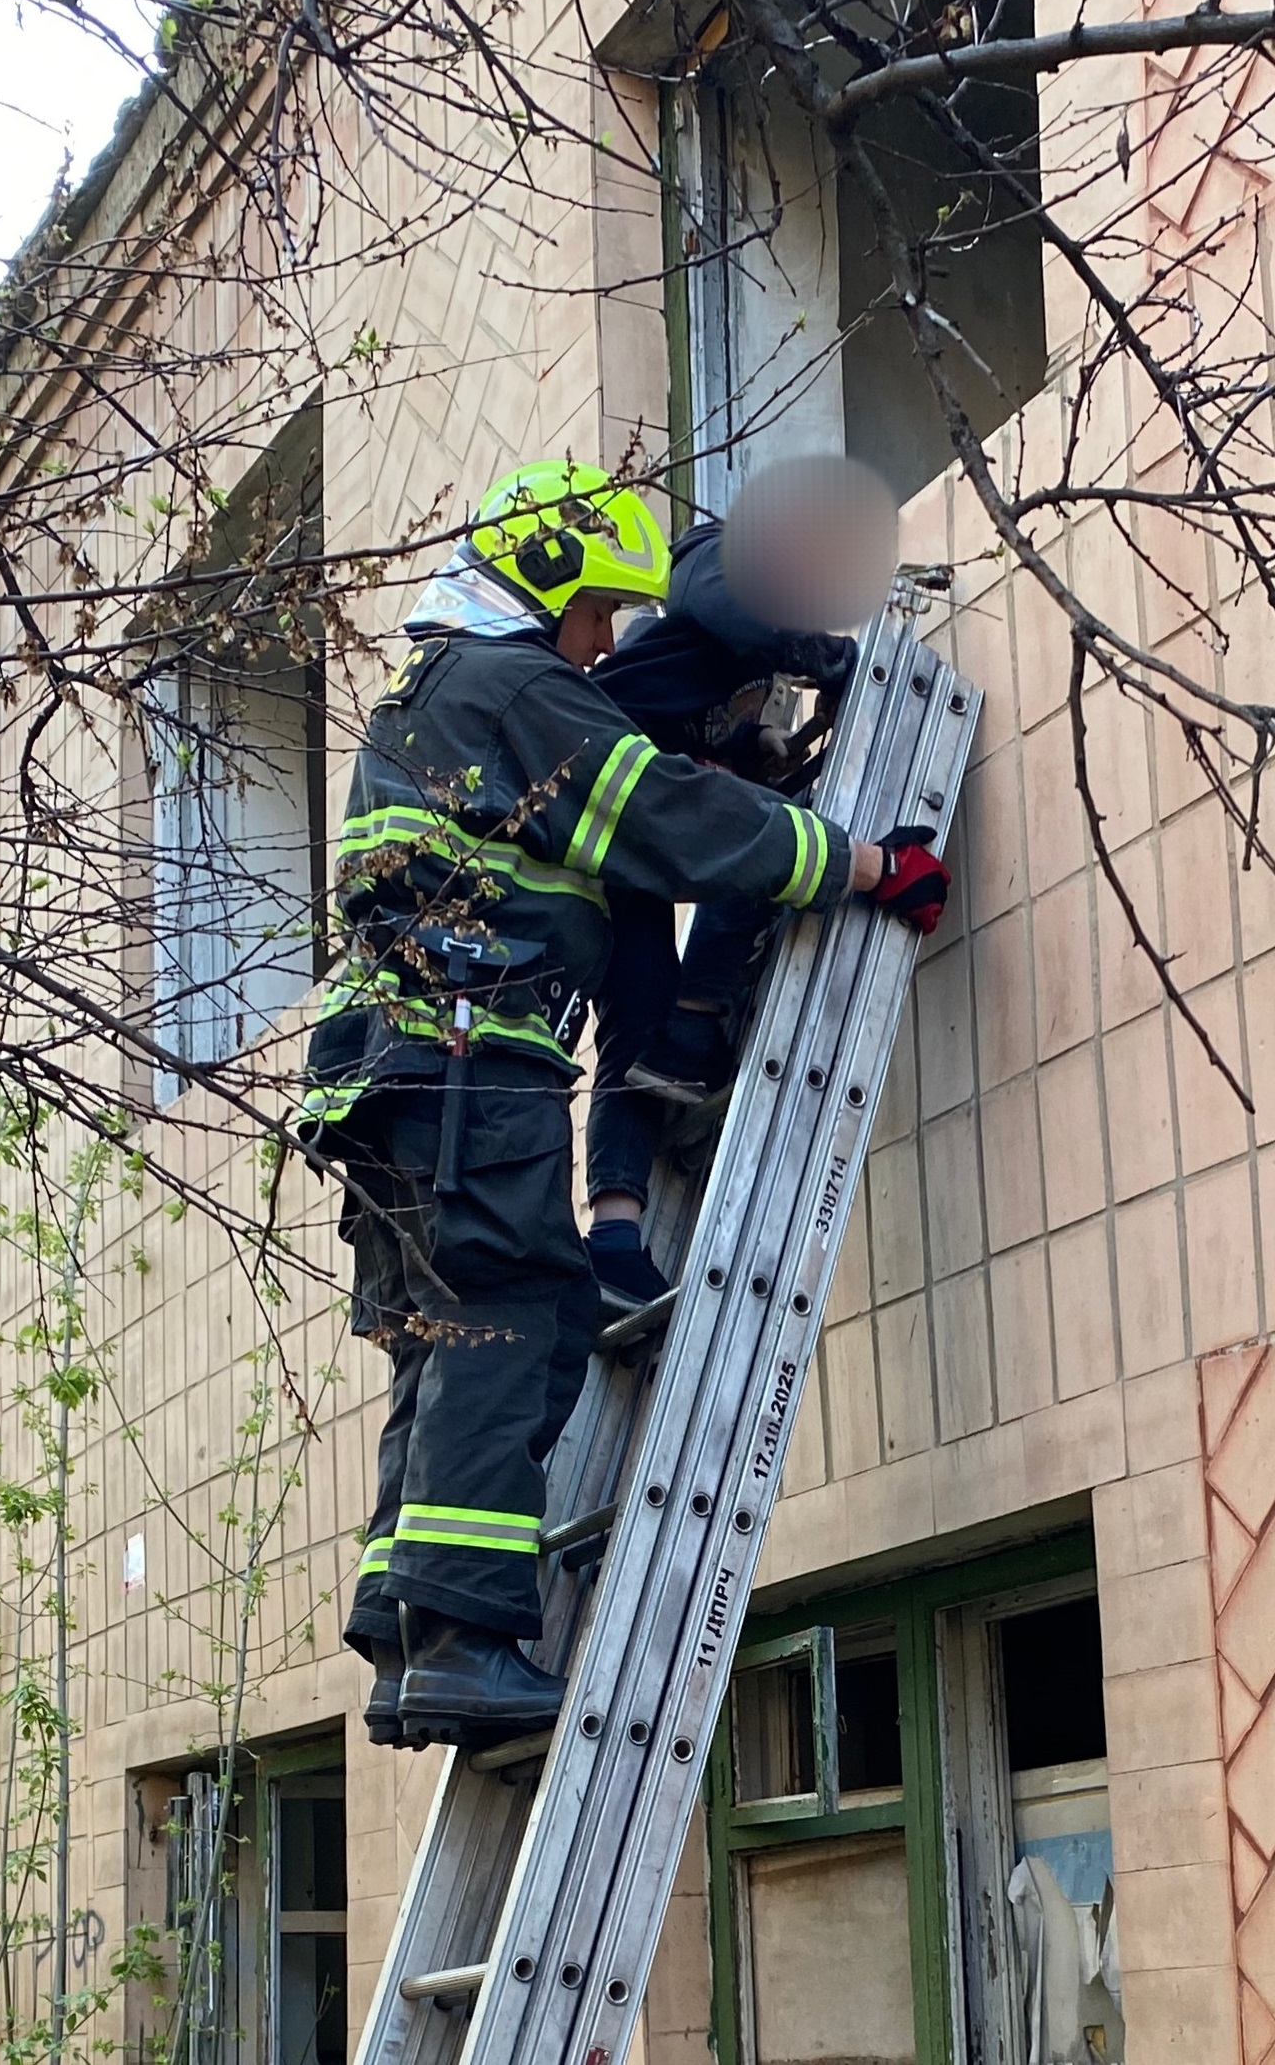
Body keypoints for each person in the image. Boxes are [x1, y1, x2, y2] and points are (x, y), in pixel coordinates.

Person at [298, 461, 949, 1750]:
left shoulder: (423, 701)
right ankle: (467, 1640)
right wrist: (865, 862)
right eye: (596, 609)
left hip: (388, 1080)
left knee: (440, 1336)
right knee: (512, 1321)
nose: (603, 643)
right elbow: (662, 816)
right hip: (469, 1065)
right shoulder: (510, 688)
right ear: (545, 585)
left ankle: (409, 1639)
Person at [578, 517, 861, 1306]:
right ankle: (692, 1027)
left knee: (635, 1009)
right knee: (767, 846)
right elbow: (731, 610)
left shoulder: (728, 657)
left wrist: (748, 746)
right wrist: (837, 662)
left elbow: (691, 732)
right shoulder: (711, 560)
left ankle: (614, 1238)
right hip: (610, 800)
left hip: (622, 826)